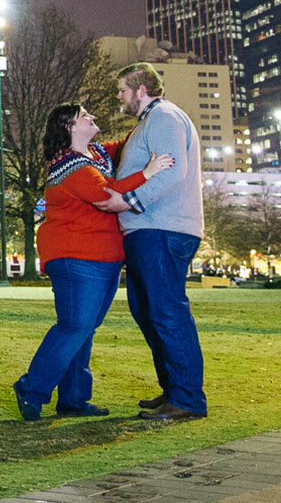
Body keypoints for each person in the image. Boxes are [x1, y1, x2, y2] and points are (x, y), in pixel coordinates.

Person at [12, 102, 173, 421]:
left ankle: (72, 398)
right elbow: (107, 195)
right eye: (85, 116)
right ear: (70, 128)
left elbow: (128, 144)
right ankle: (32, 388)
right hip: (76, 257)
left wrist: (150, 112)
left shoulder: (97, 154)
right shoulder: (71, 168)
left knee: (84, 328)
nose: (93, 117)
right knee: (75, 325)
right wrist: (147, 173)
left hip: (102, 257)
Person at [113, 61, 208, 422]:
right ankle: (174, 388)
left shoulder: (164, 117)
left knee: (166, 311)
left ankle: (186, 397)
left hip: (162, 228)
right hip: (150, 229)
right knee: (148, 311)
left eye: (123, 89)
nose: (119, 96)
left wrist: (131, 202)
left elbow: (173, 172)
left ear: (140, 89)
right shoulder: (151, 121)